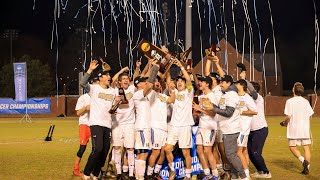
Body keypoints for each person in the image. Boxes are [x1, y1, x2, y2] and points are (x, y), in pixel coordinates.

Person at [203, 75, 248, 180]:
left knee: (230, 154)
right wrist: (212, 105)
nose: (220, 84)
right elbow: (222, 109)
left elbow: (228, 112)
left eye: (223, 82)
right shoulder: (226, 94)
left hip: (232, 129)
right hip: (226, 129)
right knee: (229, 154)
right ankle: (235, 175)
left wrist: (213, 108)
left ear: (229, 83)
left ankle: (243, 175)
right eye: (220, 82)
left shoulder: (231, 95)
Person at [80, 60, 118, 180]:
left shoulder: (113, 91)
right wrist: (90, 70)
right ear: (101, 78)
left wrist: (115, 107)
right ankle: (86, 173)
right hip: (96, 123)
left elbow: (112, 108)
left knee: (105, 150)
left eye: (109, 75)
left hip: (107, 124)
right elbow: (82, 83)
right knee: (98, 149)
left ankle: (95, 174)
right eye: (107, 75)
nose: (109, 77)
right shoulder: (94, 89)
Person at [164, 60, 194, 180]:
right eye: (178, 81)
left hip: (185, 126)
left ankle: (187, 175)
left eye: (182, 81)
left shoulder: (189, 92)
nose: (179, 82)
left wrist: (181, 66)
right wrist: (168, 66)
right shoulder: (175, 92)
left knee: (186, 152)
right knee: (167, 149)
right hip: (174, 126)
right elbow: (167, 82)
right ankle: (172, 171)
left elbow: (189, 80)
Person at [133, 64, 160, 180]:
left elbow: (149, 85)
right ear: (139, 84)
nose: (145, 83)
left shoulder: (142, 94)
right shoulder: (138, 94)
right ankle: (139, 177)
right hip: (142, 127)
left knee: (141, 153)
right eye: (143, 82)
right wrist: (155, 68)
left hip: (144, 127)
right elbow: (150, 84)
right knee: (143, 154)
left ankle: (138, 175)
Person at [110, 66, 137, 180]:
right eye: (123, 79)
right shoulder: (115, 91)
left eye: (127, 78)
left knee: (130, 148)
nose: (126, 80)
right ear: (119, 82)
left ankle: (131, 174)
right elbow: (111, 81)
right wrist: (121, 71)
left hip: (130, 124)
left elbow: (136, 77)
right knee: (117, 148)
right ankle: (119, 173)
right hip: (117, 124)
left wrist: (138, 67)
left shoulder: (132, 89)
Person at [146, 76, 175, 180]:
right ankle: (149, 174)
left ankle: (156, 173)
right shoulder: (150, 94)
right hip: (155, 127)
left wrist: (172, 88)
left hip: (164, 128)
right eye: (155, 81)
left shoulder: (163, 96)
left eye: (158, 82)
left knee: (163, 152)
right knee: (156, 151)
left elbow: (172, 99)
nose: (157, 83)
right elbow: (149, 86)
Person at [283, 82, 314, 175]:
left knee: (292, 147)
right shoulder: (305, 101)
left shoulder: (289, 101)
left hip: (294, 129)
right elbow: (310, 115)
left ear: (294, 90)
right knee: (306, 148)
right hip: (304, 128)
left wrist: (284, 123)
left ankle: (303, 160)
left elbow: (288, 116)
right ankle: (307, 166)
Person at [192, 76, 219, 180]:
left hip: (210, 126)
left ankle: (215, 175)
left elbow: (213, 113)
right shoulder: (201, 96)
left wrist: (200, 109)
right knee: (199, 150)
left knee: (208, 151)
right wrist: (197, 112)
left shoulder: (212, 96)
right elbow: (201, 111)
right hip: (201, 125)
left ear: (207, 84)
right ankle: (207, 173)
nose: (199, 83)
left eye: (202, 81)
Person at [234, 79, 257, 178]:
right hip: (236, 128)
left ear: (241, 85)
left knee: (238, 152)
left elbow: (255, 111)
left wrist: (241, 112)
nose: (235, 85)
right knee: (244, 151)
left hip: (243, 129)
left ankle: (245, 175)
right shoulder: (235, 96)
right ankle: (245, 171)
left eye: (236, 84)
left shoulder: (247, 98)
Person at [248, 81, 272, 178]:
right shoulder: (247, 99)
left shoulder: (258, 98)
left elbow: (252, 92)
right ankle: (260, 171)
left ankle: (266, 172)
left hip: (260, 129)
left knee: (256, 152)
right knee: (250, 152)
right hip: (251, 130)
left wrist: (244, 79)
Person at [73, 93, 91, 177]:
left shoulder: (98, 95)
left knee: (97, 148)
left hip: (95, 124)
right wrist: (85, 108)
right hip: (84, 124)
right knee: (82, 148)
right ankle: (76, 169)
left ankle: (95, 169)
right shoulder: (83, 97)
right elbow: (78, 113)